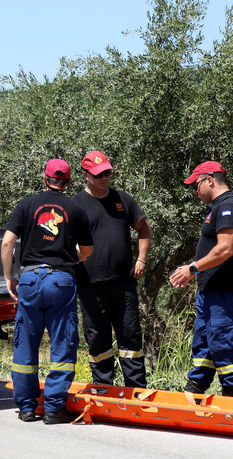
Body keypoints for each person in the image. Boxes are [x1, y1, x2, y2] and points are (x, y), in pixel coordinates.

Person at [1, 159, 93, 424]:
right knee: (62, 343)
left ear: (45, 178)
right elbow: (87, 251)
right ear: (68, 181)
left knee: (26, 341)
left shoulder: (27, 204)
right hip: (61, 280)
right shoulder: (76, 208)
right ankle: (53, 409)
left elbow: (8, 242)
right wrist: (72, 257)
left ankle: (27, 407)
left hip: (29, 279)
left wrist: (10, 277)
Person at [169, 161, 233, 397]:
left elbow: (225, 249)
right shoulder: (217, 207)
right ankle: (194, 390)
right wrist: (200, 281)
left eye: (195, 185)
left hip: (224, 292)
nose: (195, 191)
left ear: (210, 180)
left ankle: (231, 394)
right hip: (210, 291)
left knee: (222, 342)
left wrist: (192, 269)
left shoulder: (230, 207)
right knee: (204, 343)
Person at [73, 151, 152, 388]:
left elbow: (144, 229)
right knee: (97, 339)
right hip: (90, 285)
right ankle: (103, 388)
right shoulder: (76, 205)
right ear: (86, 175)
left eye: (107, 173)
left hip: (123, 283)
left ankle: (136, 390)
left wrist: (141, 260)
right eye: (98, 175)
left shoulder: (123, 200)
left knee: (130, 336)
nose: (104, 178)